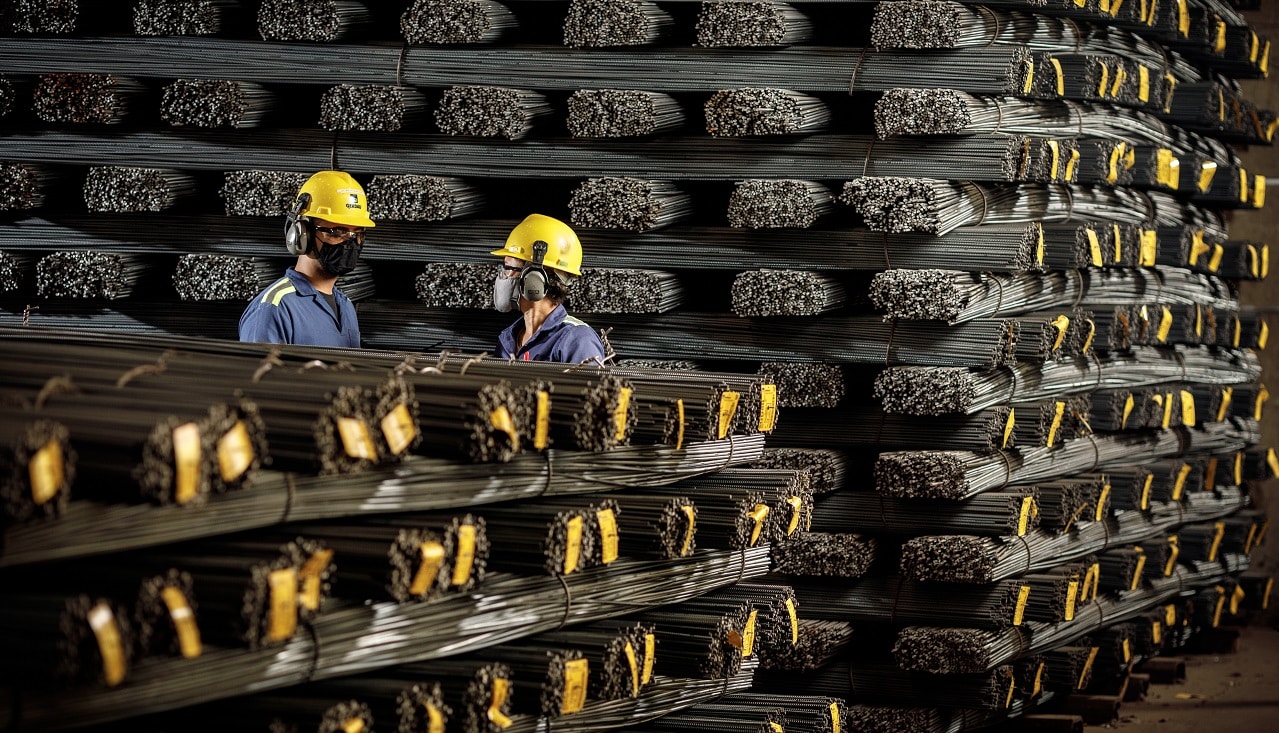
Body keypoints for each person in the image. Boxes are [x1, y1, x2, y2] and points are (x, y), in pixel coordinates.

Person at [239, 170, 375, 348]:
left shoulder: (346, 306)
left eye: (356, 233)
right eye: (337, 232)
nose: (349, 243)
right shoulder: (275, 308)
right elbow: (259, 375)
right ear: (303, 234)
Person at [491, 213, 608, 363]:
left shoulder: (576, 341)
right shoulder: (508, 340)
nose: (504, 276)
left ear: (535, 276)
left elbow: (591, 387)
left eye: (509, 267)